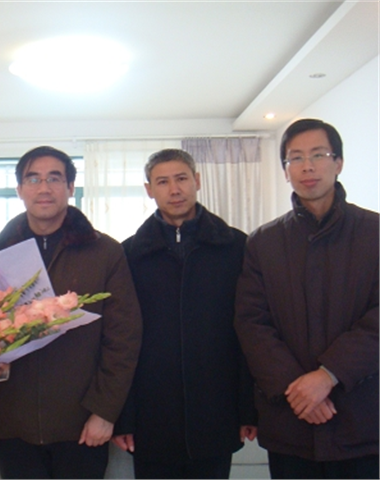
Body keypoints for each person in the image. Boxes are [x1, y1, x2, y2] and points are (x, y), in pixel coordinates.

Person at [0, 146, 142, 479]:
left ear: (70, 187)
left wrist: (105, 412)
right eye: (33, 179)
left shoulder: (105, 252)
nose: (44, 188)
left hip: (82, 424)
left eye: (54, 178)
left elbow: (123, 340)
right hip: (12, 424)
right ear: (20, 189)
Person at [234, 118, 379, 479]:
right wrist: (298, 389)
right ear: (285, 171)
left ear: (338, 163)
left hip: (361, 419)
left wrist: (328, 375)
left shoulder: (374, 233)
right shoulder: (263, 242)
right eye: (295, 158)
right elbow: (252, 323)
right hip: (291, 422)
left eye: (318, 155)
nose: (307, 166)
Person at [111, 149, 258, 479]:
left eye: (181, 179)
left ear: (197, 181)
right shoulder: (129, 254)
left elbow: (249, 332)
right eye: (163, 182)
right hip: (151, 414)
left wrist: (248, 408)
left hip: (217, 408)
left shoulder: (236, 246)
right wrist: (124, 417)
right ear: (149, 189)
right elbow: (120, 341)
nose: (174, 190)